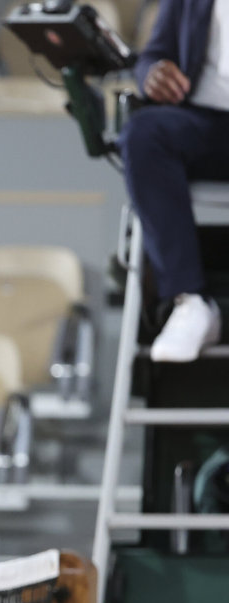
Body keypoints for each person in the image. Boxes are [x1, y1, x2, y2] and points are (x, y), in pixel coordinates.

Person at [120, 0, 228, 361]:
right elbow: (153, 55)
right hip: (205, 122)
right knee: (143, 133)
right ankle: (190, 301)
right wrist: (152, 74)